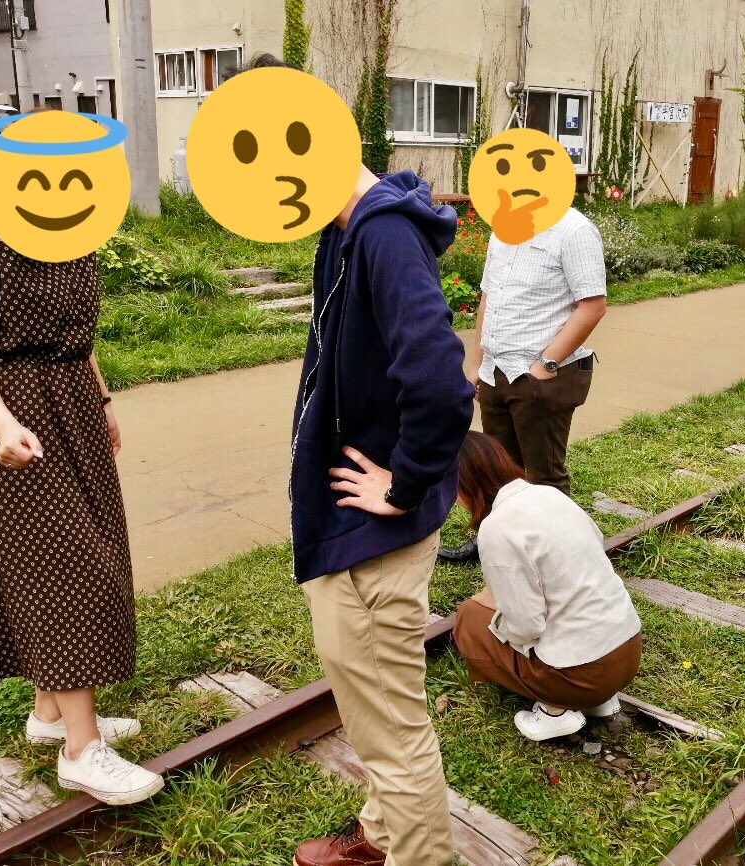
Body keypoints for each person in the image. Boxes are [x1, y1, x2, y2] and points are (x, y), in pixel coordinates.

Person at [248, 55, 474, 866]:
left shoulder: (381, 234)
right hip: (349, 522)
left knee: (392, 731)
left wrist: (404, 484)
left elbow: (442, 384)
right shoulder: (346, 228)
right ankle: (381, 836)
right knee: (377, 712)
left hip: (372, 536)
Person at [0, 191, 163, 805]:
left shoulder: (76, 239)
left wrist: (104, 400)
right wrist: (3, 426)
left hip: (76, 414)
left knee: (89, 555)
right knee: (64, 571)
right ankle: (80, 751)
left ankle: (49, 714)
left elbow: (80, 342)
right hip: (15, 421)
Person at [439, 198, 607, 563]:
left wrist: (547, 363)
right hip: (495, 372)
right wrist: (478, 363)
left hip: (541, 375)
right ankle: (491, 544)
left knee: (544, 475)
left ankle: (555, 557)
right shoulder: (504, 225)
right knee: (496, 469)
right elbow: (489, 298)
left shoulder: (574, 230)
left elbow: (593, 305)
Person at [451, 432, 642, 742]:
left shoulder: (496, 528)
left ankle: (556, 711)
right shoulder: (549, 494)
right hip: (628, 650)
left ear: (464, 485)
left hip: (583, 675)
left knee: (470, 618)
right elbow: (594, 545)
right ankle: (599, 700)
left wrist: (497, 620)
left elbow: (526, 626)